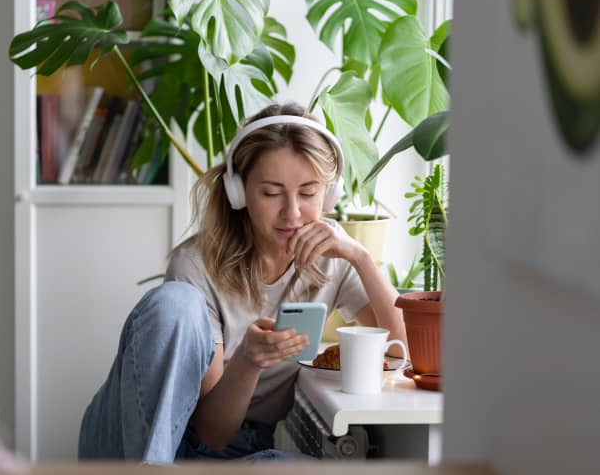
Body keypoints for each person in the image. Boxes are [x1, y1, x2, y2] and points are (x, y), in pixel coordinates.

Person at [78, 103, 408, 464]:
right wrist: (249, 362)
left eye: (309, 193)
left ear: (330, 196)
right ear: (239, 192)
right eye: (271, 193)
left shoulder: (333, 255)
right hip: (138, 439)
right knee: (175, 303)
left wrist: (360, 257)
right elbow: (211, 431)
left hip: (232, 451)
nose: (292, 213)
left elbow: (402, 351)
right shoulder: (195, 265)